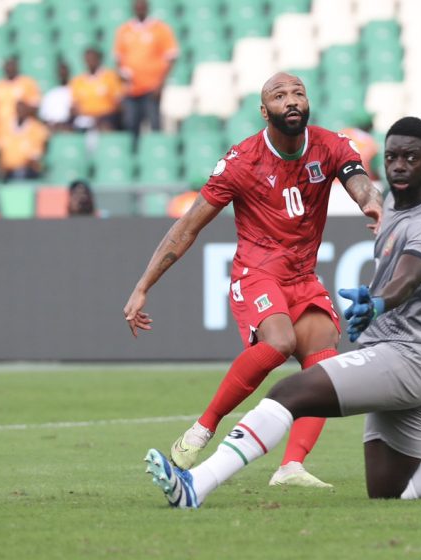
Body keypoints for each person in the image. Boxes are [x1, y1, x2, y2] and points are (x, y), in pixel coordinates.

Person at [143, 116, 421, 508]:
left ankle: (197, 485)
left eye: (411, 157)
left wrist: (379, 302)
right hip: (411, 358)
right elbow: (366, 193)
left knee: (289, 394)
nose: (399, 165)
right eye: (392, 156)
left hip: (410, 356)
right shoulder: (395, 204)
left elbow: (409, 275)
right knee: (390, 488)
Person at [124, 72, 383, 488]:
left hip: (302, 276)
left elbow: (361, 185)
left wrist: (374, 206)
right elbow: (188, 226)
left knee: (324, 363)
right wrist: (143, 286)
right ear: (265, 111)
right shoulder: (242, 162)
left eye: (298, 92)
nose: (292, 101)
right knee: (279, 343)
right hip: (257, 272)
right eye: (280, 96)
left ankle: (291, 467)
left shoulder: (330, 145)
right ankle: (201, 430)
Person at [114, 0, 179, 140]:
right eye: (137, 7)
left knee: (154, 124)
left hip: (151, 87)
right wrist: (122, 74)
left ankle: (156, 151)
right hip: (131, 88)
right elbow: (118, 58)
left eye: (142, 7)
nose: (140, 10)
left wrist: (161, 84)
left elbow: (171, 57)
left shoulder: (160, 29)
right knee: (131, 124)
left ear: (147, 8)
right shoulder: (125, 30)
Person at [0, 100, 49, 181]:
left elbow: (35, 158)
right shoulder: (2, 126)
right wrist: (1, 168)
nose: (20, 111)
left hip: (26, 169)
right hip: (6, 169)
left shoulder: (38, 129)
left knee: (20, 174)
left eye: (23, 109)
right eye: (18, 109)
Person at [71, 48, 123, 131]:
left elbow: (118, 103)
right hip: (85, 117)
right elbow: (75, 105)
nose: (90, 62)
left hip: (106, 116)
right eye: (88, 59)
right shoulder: (77, 81)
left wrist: (100, 115)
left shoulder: (111, 77)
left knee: (105, 127)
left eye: (93, 59)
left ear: (99, 59)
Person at [0, 56, 41, 130]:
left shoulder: (28, 83)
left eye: (12, 66)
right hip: (1, 126)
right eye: (7, 66)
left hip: (22, 126)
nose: (10, 69)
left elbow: (35, 106)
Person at [39, 60, 73, 132]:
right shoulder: (50, 94)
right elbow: (43, 117)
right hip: (52, 127)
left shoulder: (74, 92)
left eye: (64, 71)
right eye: (60, 71)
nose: (62, 73)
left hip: (69, 127)